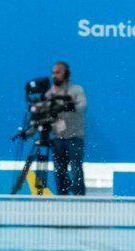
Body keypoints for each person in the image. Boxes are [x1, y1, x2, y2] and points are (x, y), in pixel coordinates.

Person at [48, 61, 87, 196]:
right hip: (58, 137)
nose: (54, 76)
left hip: (74, 136)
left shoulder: (76, 90)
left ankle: (79, 198)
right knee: (59, 170)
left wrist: (68, 106)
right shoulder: (50, 93)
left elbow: (82, 105)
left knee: (76, 169)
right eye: (53, 73)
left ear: (66, 73)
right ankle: (62, 197)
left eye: (58, 72)